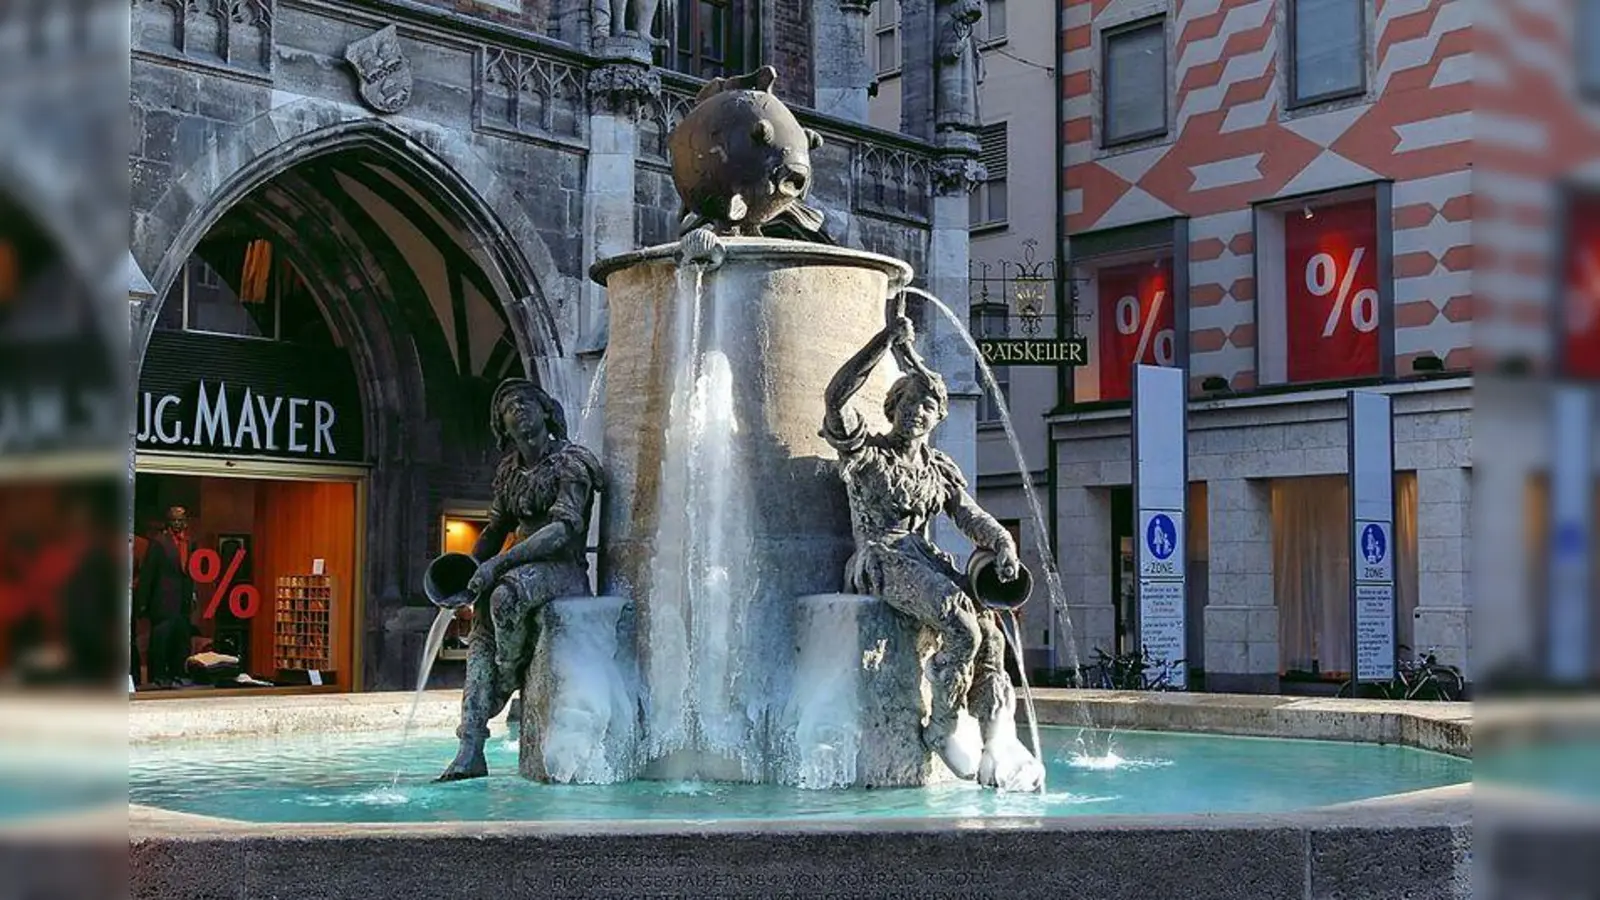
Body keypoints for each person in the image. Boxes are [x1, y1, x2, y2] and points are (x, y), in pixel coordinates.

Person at [821, 309, 1038, 788]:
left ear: (938, 416)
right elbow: (835, 399)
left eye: (928, 406)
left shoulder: (938, 468)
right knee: (961, 624)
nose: (918, 412)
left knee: (990, 630)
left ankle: (997, 733)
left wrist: (1001, 539)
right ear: (892, 406)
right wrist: (885, 341)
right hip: (881, 558)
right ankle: (941, 729)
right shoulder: (869, 454)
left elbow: (967, 514)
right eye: (909, 402)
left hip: (921, 558)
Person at [438, 379, 603, 781]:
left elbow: (563, 530)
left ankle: (509, 672)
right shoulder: (510, 470)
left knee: (504, 595)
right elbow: (496, 527)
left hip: (562, 571)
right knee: (480, 630)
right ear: (503, 428)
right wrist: (469, 566)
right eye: (508, 407)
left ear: (546, 410)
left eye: (525, 402)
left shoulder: (571, 462)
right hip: (521, 568)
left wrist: (499, 564)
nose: (517, 409)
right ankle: (470, 746)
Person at [133, 506, 197, 688]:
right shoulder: (159, 543)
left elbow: (191, 572)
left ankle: (178, 673)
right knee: (160, 641)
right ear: (168, 523)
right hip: (163, 601)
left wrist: (193, 594)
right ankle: (158, 677)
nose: (178, 523)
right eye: (175, 520)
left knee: (181, 640)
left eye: (181, 520)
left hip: (182, 602)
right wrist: (143, 603)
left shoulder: (188, 543)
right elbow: (148, 574)